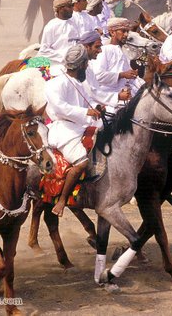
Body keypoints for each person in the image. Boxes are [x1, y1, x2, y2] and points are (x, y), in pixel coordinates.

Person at [46, 46, 103, 217]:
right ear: (81, 64)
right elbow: (60, 108)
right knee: (81, 163)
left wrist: (97, 107)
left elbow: (89, 101)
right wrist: (87, 112)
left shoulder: (80, 83)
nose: (87, 67)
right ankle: (62, 201)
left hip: (83, 126)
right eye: (86, 64)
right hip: (64, 130)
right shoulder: (55, 83)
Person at [86, 18, 144, 112]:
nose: (126, 35)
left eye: (127, 32)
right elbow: (98, 76)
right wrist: (121, 75)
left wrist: (145, 85)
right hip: (109, 96)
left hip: (126, 92)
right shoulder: (104, 50)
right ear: (112, 33)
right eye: (123, 31)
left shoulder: (123, 51)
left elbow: (130, 78)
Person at [37, 0, 80, 76]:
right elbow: (44, 50)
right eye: (70, 6)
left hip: (74, 63)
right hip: (56, 64)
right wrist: (64, 57)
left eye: (72, 6)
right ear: (61, 9)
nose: (72, 9)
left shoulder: (73, 24)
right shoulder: (51, 26)